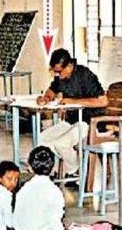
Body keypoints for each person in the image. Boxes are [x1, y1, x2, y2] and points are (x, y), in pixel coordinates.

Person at [13, 146, 96, 230]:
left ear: (30, 167)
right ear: (52, 167)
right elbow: (55, 224)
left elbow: (17, 222)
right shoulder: (54, 192)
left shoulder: (23, 190)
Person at [37, 48, 107, 176]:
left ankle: (75, 171)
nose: (57, 75)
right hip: (71, 121)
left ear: (69, 66)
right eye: (54, 71)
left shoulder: (85, 75)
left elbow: (103, 101)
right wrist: (46, 98)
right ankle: (59, 170)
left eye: (59, 71)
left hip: (89, 122)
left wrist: (73, 101)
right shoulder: (61, 76)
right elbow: (52, 90)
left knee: (61, 143)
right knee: (41, 139)